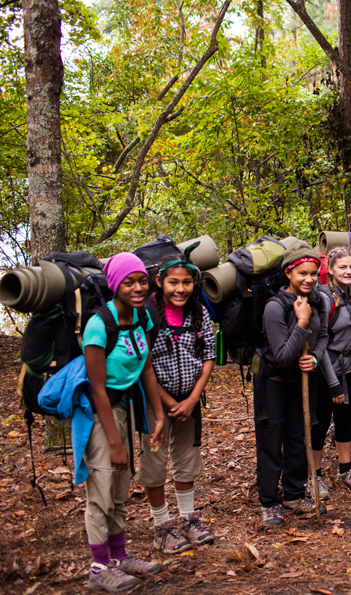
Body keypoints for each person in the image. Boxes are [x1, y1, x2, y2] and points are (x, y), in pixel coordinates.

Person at [81, 253, 166, 592]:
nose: (137, 288)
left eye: (142, 281)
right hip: (101, 414)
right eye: (128, 282)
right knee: (102, 489)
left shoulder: (143, 317)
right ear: (115, 285)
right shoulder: (98, 325)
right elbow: (97, 389)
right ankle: (99, 567)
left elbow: (146, 369)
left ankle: (119, 556)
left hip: (128, 408)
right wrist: (115, 443)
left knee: (119, 488)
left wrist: (158, 415)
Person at [139, 252, 216, 554]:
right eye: (173, 282)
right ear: (159, 281)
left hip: (190, 401)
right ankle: (162, 526)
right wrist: (171, 403)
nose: (180, 289)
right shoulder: (147, 314)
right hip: (155, 402)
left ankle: (187, 520)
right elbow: (143, 364)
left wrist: (193, 399)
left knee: (187, 459)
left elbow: (208, 355)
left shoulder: (199, 313)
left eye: (186, 282)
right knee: (154, 462)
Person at [254, 241, 328, 526]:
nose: (309, 279)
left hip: (302, 380)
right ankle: (269, 502)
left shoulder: (316, 301)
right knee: (272, 441)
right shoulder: (274, 307)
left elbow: (323, 336)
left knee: (298, 437)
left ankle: (294, 495)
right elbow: (283, 356)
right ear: (288, 273)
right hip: (273, 381)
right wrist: (301, 323)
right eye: (302, 274)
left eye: (313, 273)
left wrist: (315, 358)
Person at [315, 248, 351, 496]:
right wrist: (332, 383)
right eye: (342, 267)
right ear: (330, 270)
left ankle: (345, 470)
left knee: (344, 419)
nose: (348, 271)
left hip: (348, 368)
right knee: (319, 422)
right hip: (326, 370)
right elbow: (320, 343)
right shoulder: (324, 298)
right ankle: (314, 476)